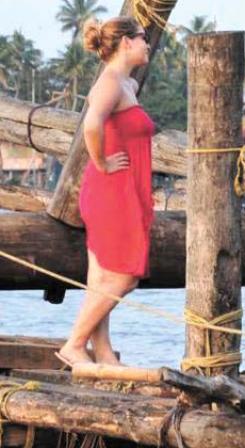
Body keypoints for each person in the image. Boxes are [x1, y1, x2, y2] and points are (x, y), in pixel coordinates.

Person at [57, 16, 154, 366]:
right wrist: (100, 162)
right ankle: (74, 344)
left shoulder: (128, 84)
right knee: (124, 275)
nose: (147, 44)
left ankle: (102, 351)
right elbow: (91, 124)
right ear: (126, 42)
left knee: (100, 275)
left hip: (123, 190)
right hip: (111, 189)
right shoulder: (111, 81)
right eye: (143, 38)